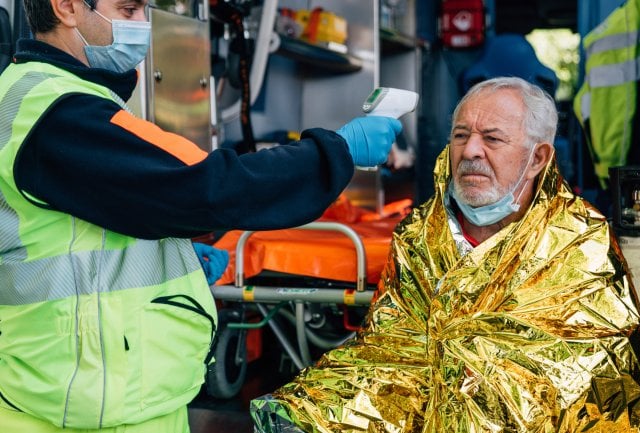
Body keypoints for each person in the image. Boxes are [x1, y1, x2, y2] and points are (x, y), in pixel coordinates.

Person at [0, 0, 402, 430]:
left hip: (116, 394)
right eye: (129, 9)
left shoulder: (66, 99)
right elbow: (204, 187)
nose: (144, 24)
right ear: (66, 8)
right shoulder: (54, 110)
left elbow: (103, 218)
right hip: (77, 408)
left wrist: (177, 254)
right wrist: (336, 153)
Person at [251, 77, 640, 433]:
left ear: (538, 158)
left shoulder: (579, 242)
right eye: (461, 135)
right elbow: (391, 347)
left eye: (493, 138)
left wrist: (462, 371)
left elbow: (577, 377)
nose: (470, 152)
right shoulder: (419, 236)